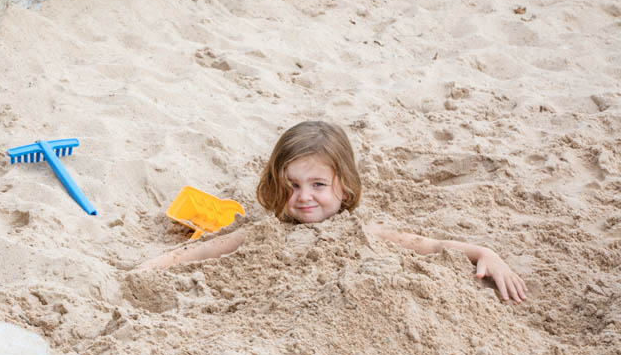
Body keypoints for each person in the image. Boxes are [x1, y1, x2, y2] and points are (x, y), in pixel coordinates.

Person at [136, 121, 528, 303]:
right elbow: (197, 253)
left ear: (345, 187)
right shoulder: (261, 234)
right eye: (292, 185)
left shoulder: (363, 233)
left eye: (318, 185)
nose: (304, 196)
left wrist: (484, 254)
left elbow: (430, 245)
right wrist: (148, 270)